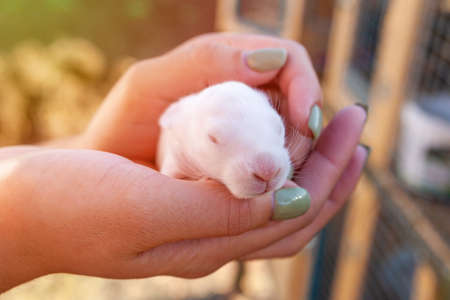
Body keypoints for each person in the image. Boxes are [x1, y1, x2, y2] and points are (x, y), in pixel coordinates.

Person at [0, 33, 368, 293]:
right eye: (216, 138)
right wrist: (27, 227)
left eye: (274, 128)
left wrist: (88, 147)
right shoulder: (177, 122)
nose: (270, 165)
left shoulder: (253, 115)